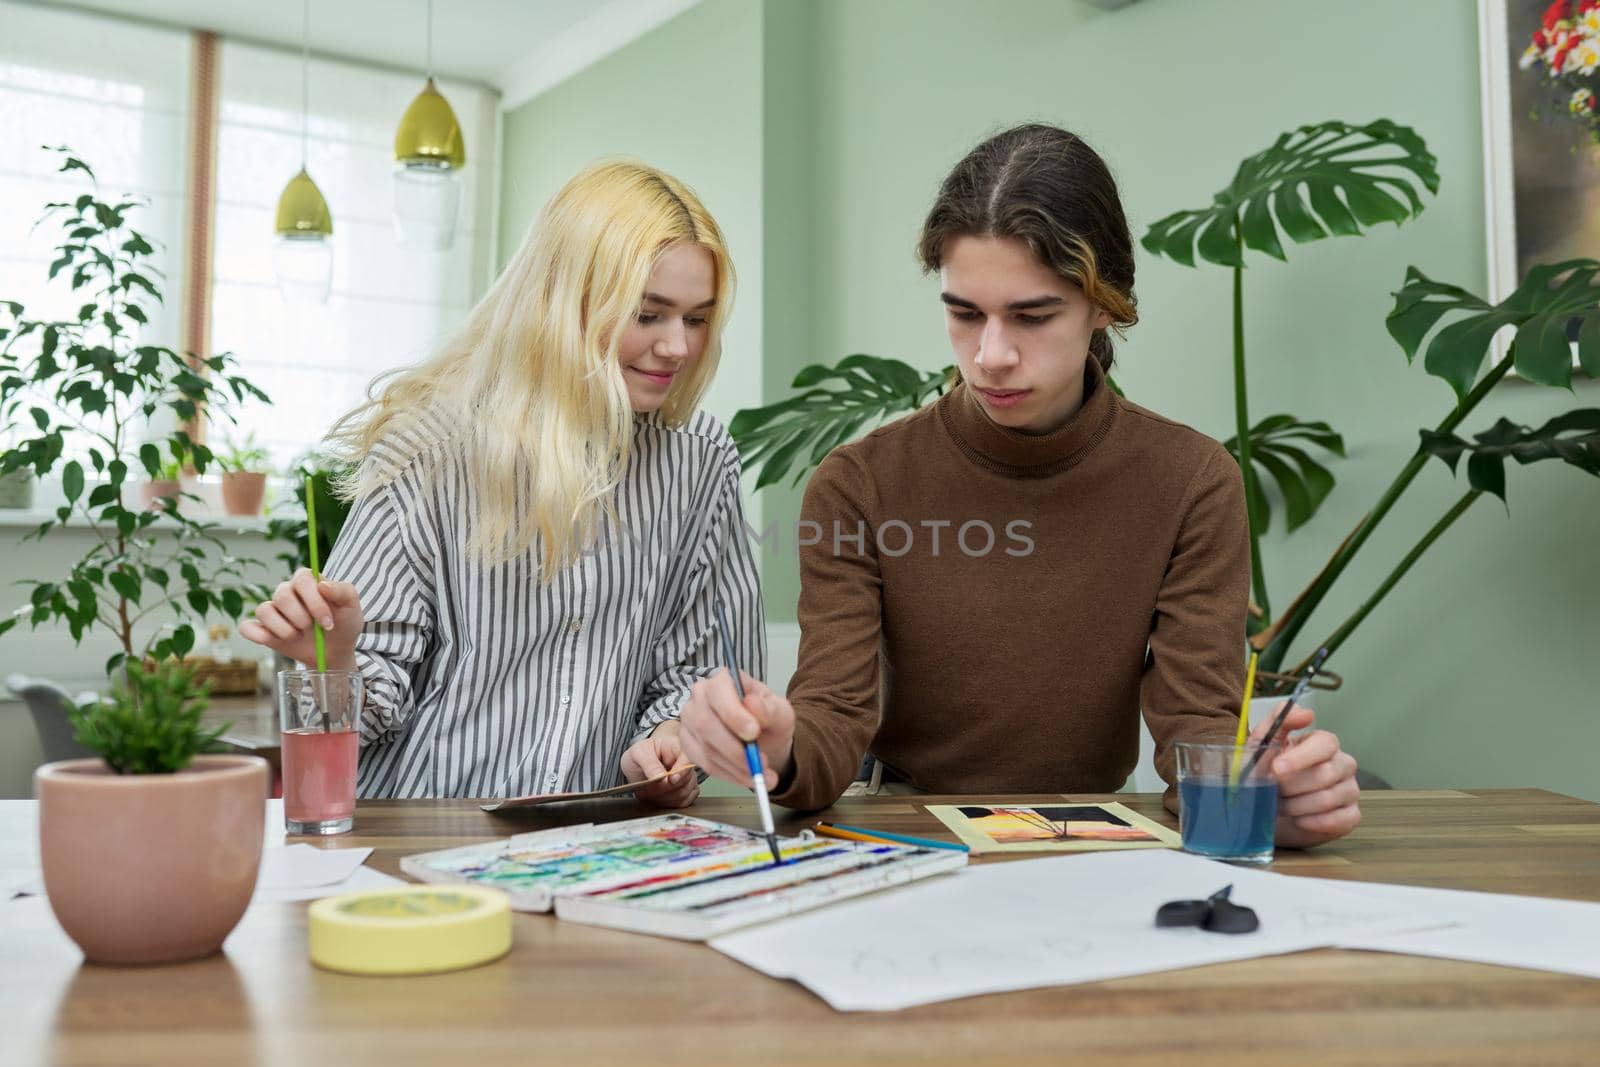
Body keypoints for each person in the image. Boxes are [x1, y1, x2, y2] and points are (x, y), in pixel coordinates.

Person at [679, 124, 1359, 847]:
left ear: (1106, 304)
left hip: (1086, 841)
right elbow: (830, 728)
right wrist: (782, 748)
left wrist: (1260, 798)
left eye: (1033, 315)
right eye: (963, 312)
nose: (990, 354)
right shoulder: (859, 484)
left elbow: (1198, 733)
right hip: (904, 841)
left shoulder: (1191, 483)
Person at [241, 160, 765, 803]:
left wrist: (674, 738)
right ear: (564, 302)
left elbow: (707, 671)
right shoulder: (430, 448)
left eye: (696, 319)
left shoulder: (699, 460)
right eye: (649, 314)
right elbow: (359, 714)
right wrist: (335, 661)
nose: (678, 348)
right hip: (421, 834)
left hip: (595, 842)